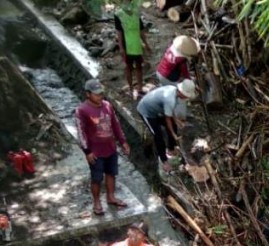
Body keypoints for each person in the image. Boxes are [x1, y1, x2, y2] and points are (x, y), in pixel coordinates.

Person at [75, 79, 131, 216]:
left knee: (111, 173)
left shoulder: (107, 106)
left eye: (101, 94)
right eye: (96, 94)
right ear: (88, 94)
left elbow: (115, 125)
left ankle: (110, 197)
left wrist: (123, 141)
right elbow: (81, 133)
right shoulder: (81, 110)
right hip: (95, 151)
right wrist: (87, 151)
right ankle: (97, 202)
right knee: (96, 178)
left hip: (110, 147)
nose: (100, 96)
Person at [136, 80, 197, 173]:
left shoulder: (174, 92)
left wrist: (176, 120)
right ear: (181, 92)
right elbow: (167, 118)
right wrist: (173, 134)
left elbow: (169, 110)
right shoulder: (170, 98)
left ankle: (171, 149)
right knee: (158, 136)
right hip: (146, 111)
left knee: (173, 125)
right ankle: (164, 160)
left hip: (157, 110)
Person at [114, 0, 151, 100]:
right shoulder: (118, 14)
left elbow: (141, 30)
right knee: (128, 67)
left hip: (136, 44)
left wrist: (146, 44)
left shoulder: (135, 12)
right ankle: (130, 89)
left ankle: (140, 88)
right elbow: (119, 33)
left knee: (139, 66)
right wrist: (121, 47)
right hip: (127, 45)